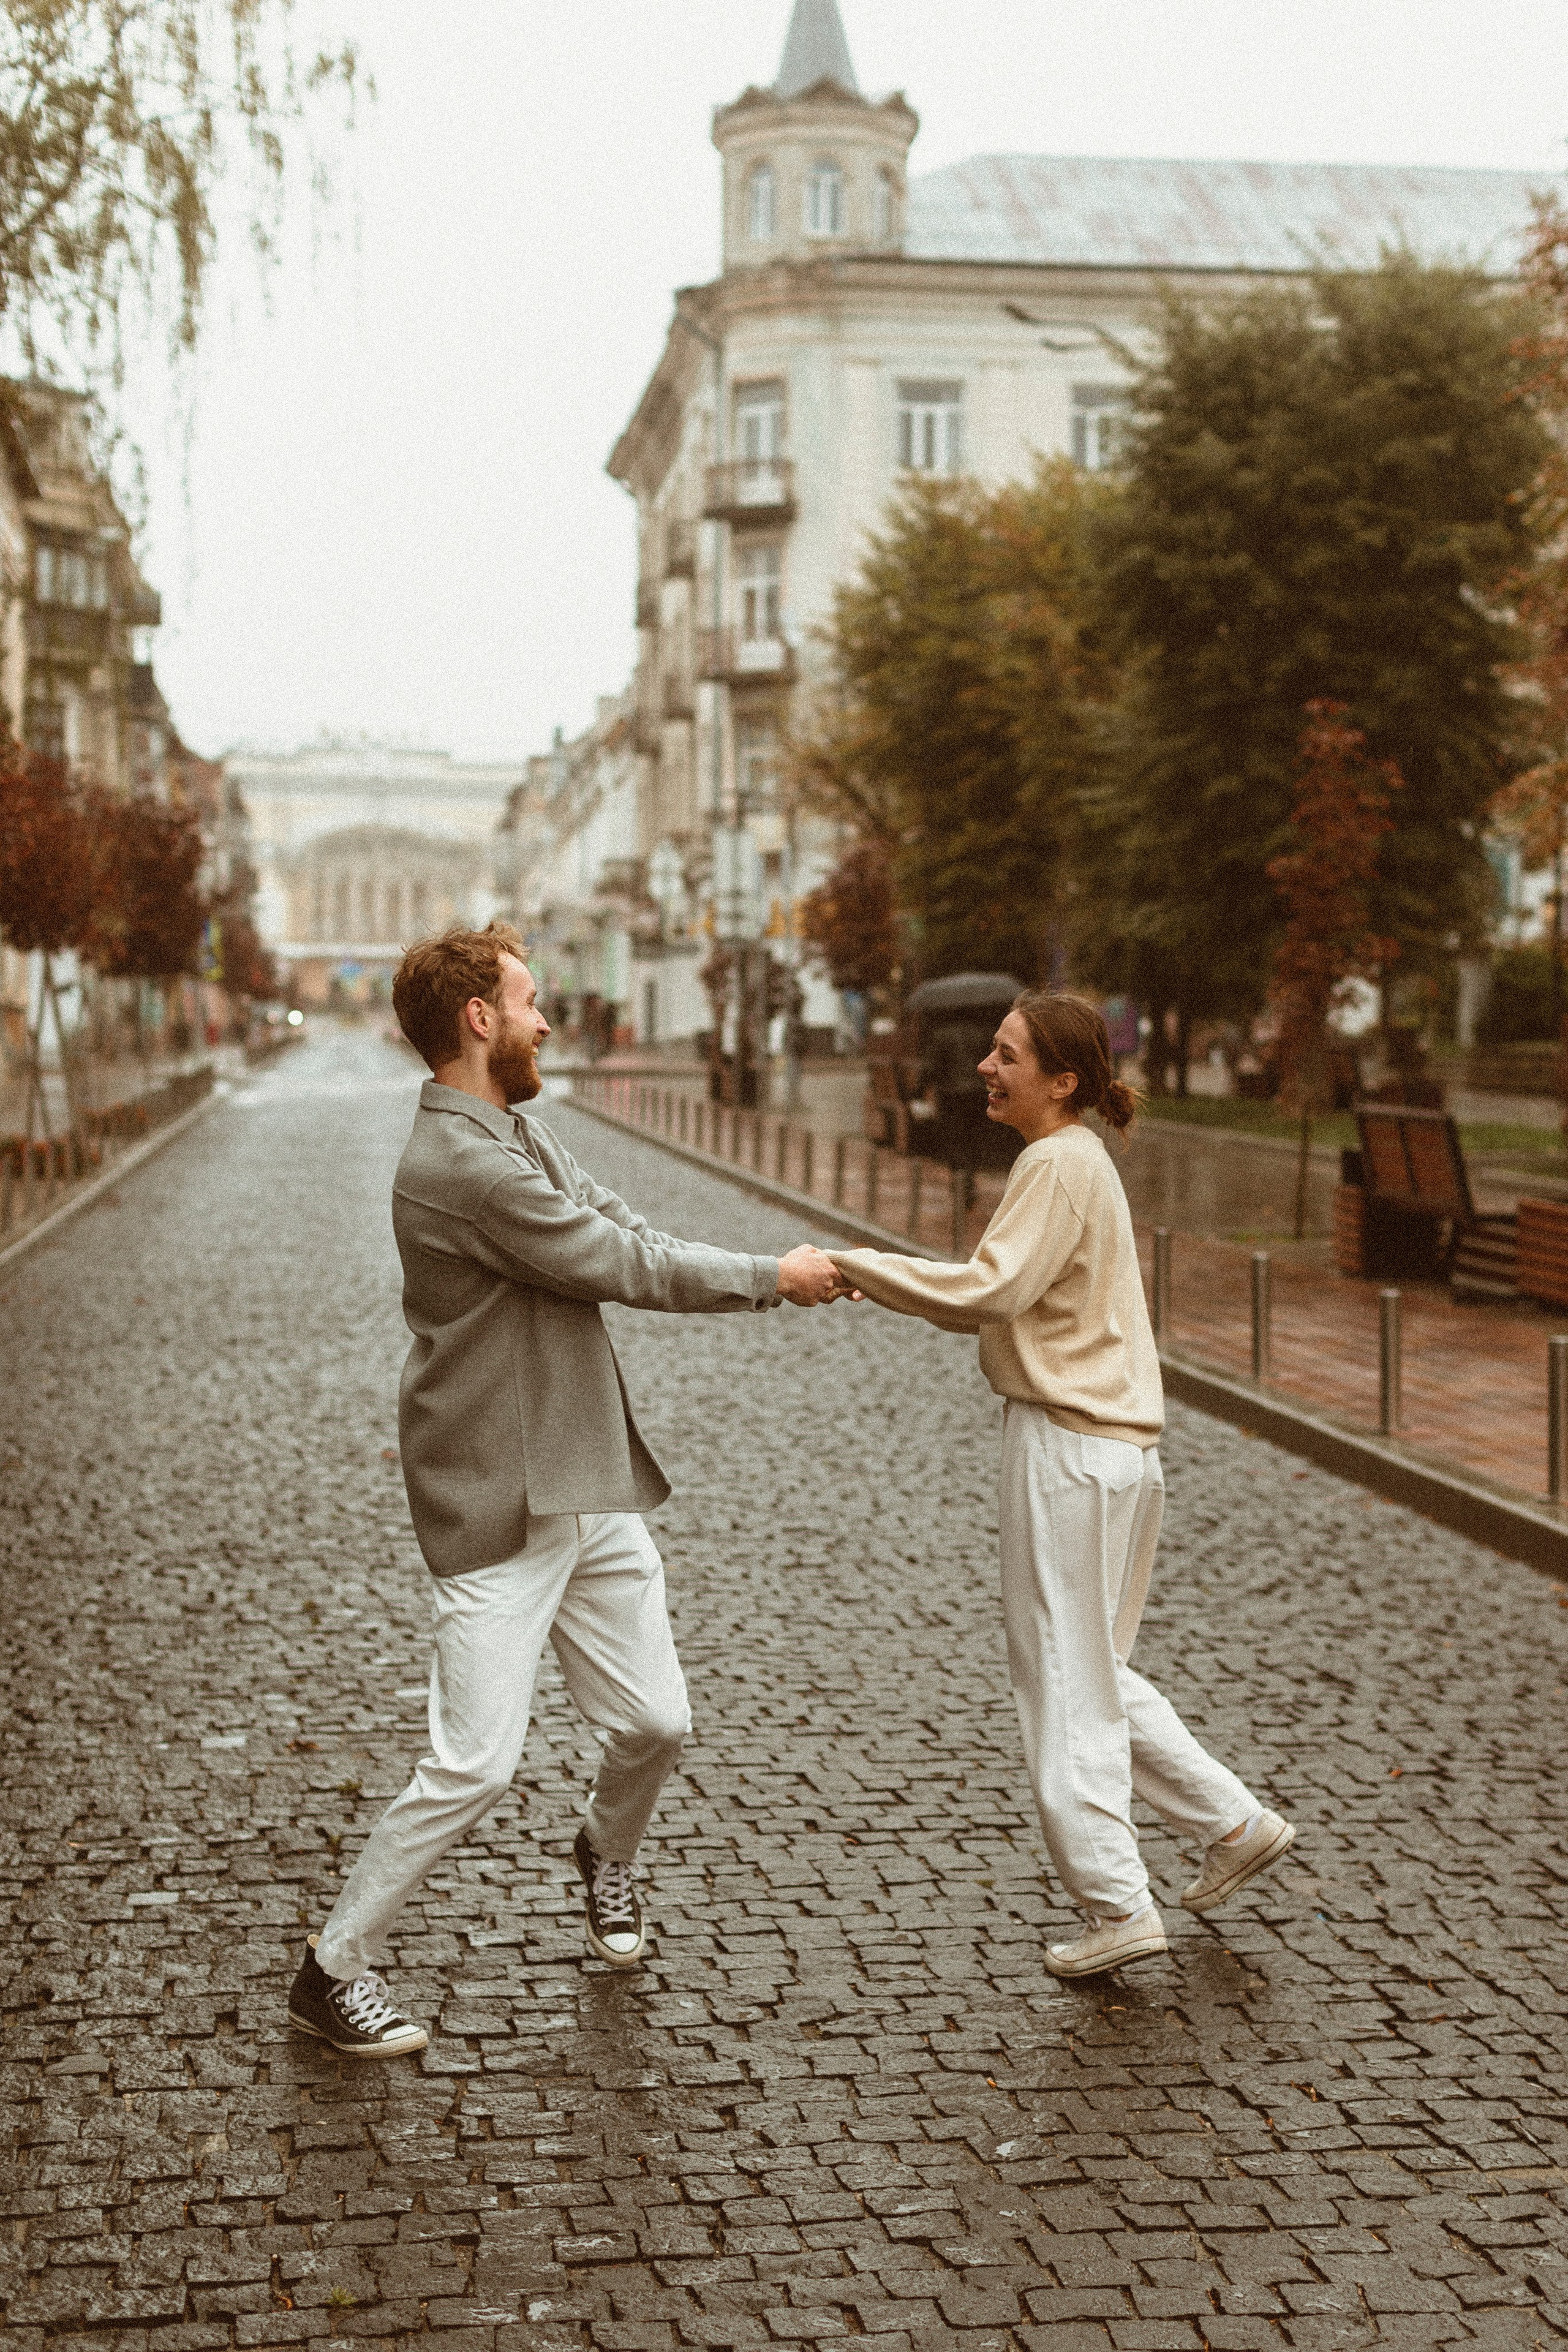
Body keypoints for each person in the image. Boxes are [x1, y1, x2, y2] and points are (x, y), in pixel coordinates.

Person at [287, 923, 847, 2057]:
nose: (549, 1020)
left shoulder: (518, 1135)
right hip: (497, 1499)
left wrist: (751, 1261)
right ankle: (329, 1970)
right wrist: (768, 1281)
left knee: (656, 1722)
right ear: (479, 1020)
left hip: (583, 1481)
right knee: (475, 1766)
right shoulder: (463, 1167)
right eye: (531, 1001)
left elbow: (625, 1223)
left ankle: (604, 1851)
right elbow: (618, 1265)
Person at [828, 992, 1294, 1980]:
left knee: (1063, 1678)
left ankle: (1116, 1903)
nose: (985, 1069)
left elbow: (987, 1289)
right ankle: (1233, 1822)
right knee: (1098, 1668)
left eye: (1006, 1056)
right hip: (1119, 1449)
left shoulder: (1056, 1163)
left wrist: (857, 1263)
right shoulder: (1082, 1163)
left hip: (1069, 1448)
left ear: (1063, 1079)